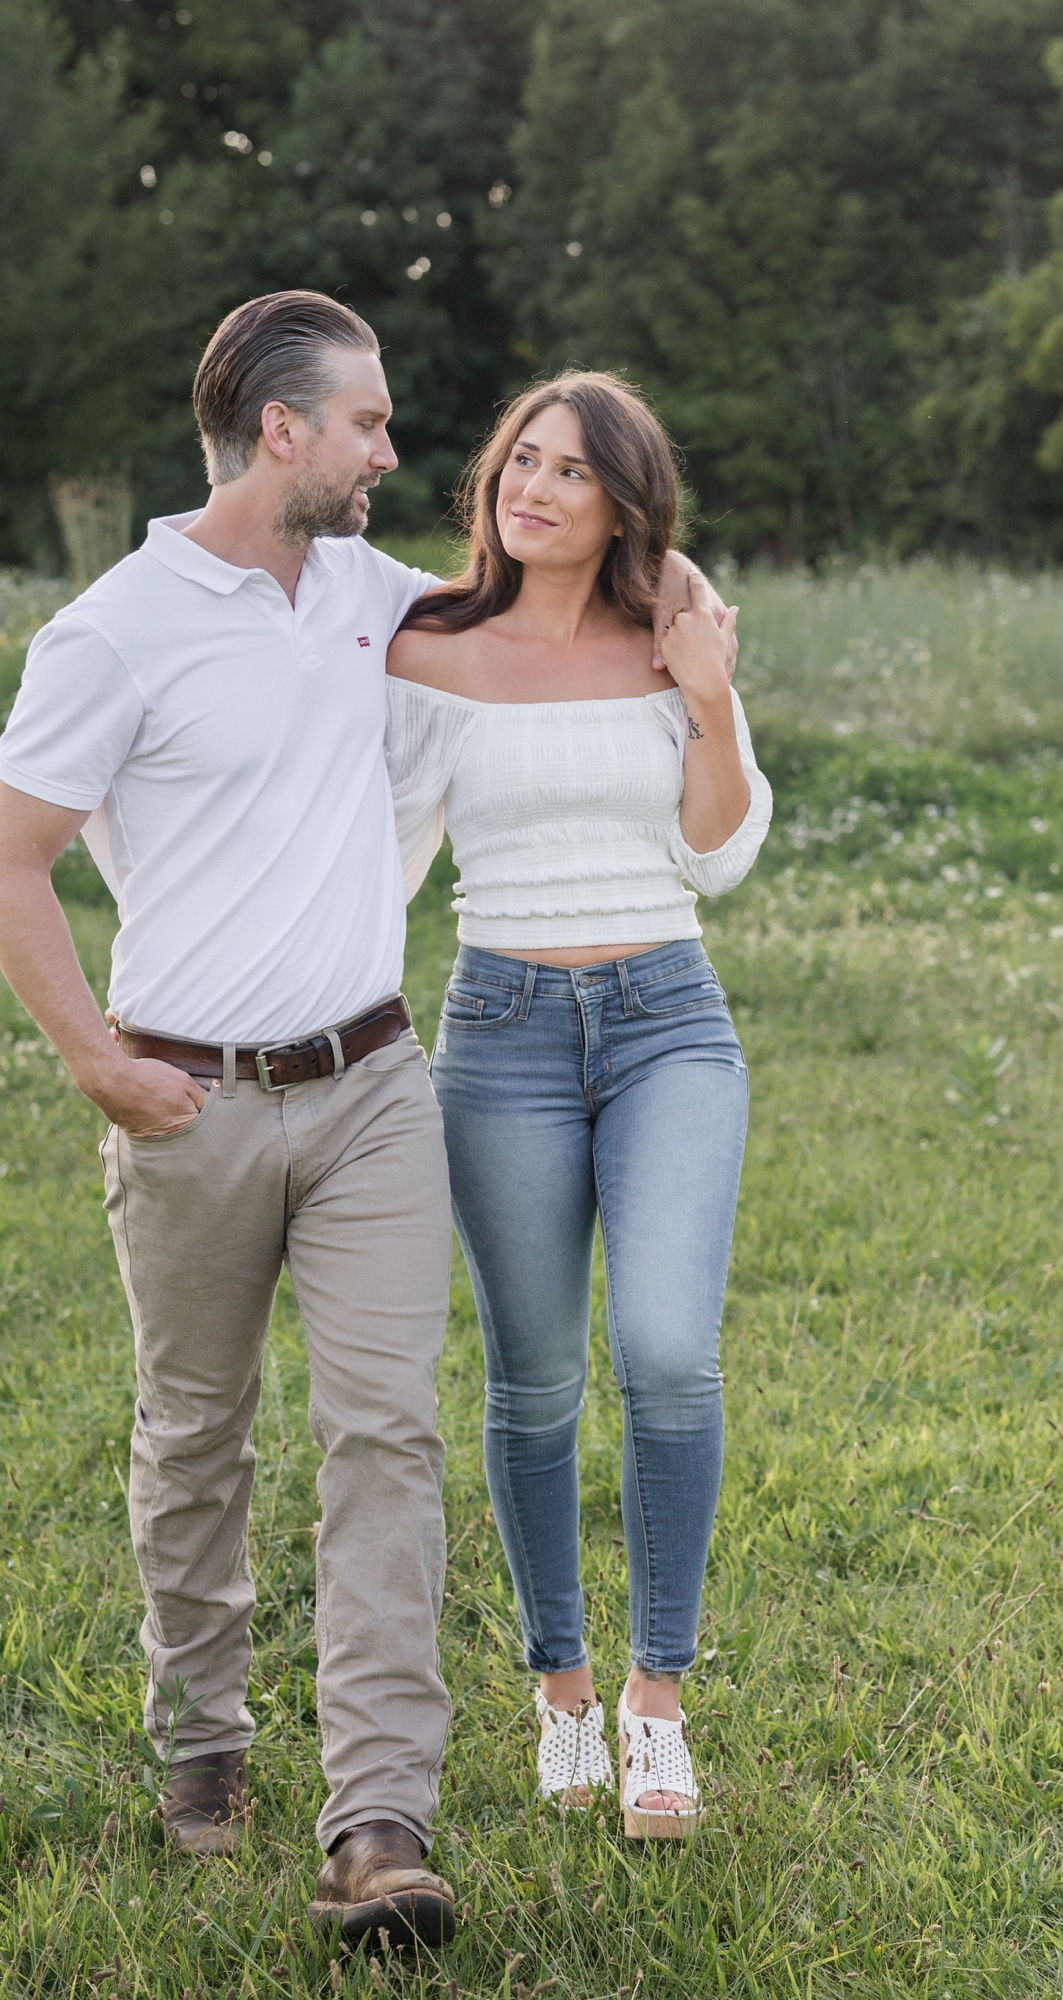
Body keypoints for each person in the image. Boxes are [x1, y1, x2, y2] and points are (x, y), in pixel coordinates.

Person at [0, 294, 724, 1937]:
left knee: (385, 1436)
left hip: (382, 1086)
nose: (401, 453)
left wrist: (679, 602)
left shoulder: (370, 593)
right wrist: (94, 1063)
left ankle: (378, 1822)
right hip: (185, 1099)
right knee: (196, 1435)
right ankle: (202, 1744)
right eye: (373, 424)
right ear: (284, 433)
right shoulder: (111, 632)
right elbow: (12, 855)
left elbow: (543, 606)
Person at [385, 370, 771, 1840]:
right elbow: (372, 841)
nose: (531, 488)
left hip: (669, 1018)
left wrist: (713, 698)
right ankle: (558, 1687)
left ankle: (656, 1701)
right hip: (501, 1031)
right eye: (518, 461)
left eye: (570, 472)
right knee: (534, 1381)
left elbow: (719, 855)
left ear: (621, 501)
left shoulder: (667, 628)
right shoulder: (428, 645)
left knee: (669, 1355)